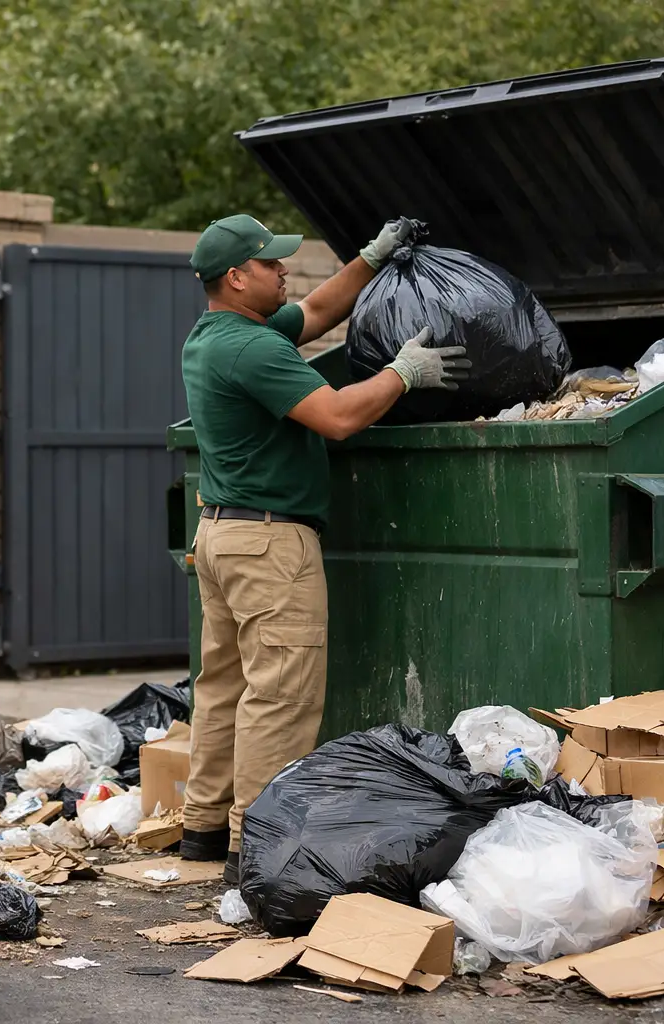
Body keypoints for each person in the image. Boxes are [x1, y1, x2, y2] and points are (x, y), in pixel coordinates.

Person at [177, 214, 468, 884]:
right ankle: (256, 856)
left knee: (224, 690)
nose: (284, 270)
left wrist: (372, 255)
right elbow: (337, 417)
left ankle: (201, 831)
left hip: (222, 536)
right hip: (270, 544)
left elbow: (317, 310)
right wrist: (403, 373)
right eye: (272, 263)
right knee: (278, 700)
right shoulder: (253, 351)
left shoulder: (218, 335)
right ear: (236, 276)